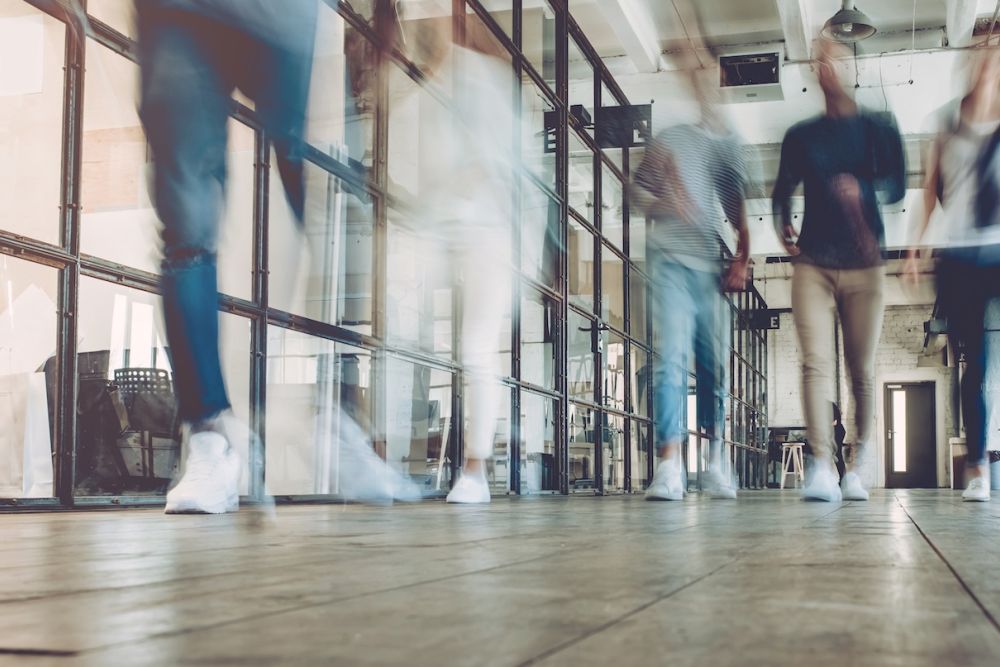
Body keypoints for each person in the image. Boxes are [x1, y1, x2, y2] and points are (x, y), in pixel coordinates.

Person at [138, 0, 418, 512]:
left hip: (281, 19)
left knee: (316, 204)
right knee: (186, 227)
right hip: (176, 14)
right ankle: (210, 437)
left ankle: (330, 416)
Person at [391, 7, 516, 504]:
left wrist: (435, 204)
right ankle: (392, 459)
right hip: (441, 228)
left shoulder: (484, 81)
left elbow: (492, 165)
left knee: (475, 348)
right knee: (401, 333)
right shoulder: (418, 97)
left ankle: (474, 472)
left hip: (490, 231)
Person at [772, 39, 905, 503]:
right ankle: (823, 466)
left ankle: (859, 461)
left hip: (866, 264)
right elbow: (782, 190)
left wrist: (860, 186)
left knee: (860, 370)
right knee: (814, 362)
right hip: (814, 261)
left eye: (836, 56)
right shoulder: (801, 136)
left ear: (852, 65)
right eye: (819, 57)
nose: (827, 65)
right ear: (814, 70)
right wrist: (781, 226)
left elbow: (895, 186)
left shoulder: (878, 127)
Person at [631, 53, 751, 501]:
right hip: (669, 261)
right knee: (671, 359)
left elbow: (736, 203)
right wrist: (666, 204)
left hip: (708, 268)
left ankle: (716, 460)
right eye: (698, 81)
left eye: (712, 85)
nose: (705, 90)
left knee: (713, 369)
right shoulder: (669, 138)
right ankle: (669, 465)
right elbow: (637, 191)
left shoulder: (728, 144)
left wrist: (743, 255)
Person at [904, 47, 1000, 501]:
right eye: (983, 60)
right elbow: (928, 190)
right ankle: (978, 469)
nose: (987, 69)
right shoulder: (943, 122)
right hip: (960, 256)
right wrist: (915, 246)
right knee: (973, 364)